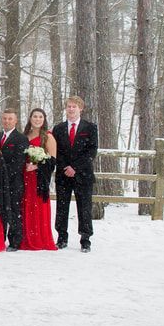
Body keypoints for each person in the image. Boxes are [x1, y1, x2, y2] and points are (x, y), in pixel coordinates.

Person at [52, 96, 98, 252]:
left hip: (83, 174)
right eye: (69, 106)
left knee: (84, 207)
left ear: (81, 109)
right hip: (63, 175)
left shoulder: (90, 128)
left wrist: (76, 168)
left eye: (74, 107)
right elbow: (56, 151)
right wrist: (66, 167)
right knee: (62, 207)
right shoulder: (58, 129)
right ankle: (62, 237)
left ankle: (85, 239)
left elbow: (92, 151)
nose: (71, 109)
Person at [21, 108, 58, 251]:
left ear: (44, 119)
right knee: (25, 206)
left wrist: (37, 166)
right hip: (24, 176)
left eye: (40, 117)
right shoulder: (25, 136)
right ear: (30, 119)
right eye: (35, 116)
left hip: (38, 178)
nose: (37, 119)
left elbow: (53, 161)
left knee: (37, 206)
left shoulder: (48, 137)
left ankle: (39, 238)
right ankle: (25, 238)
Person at [0, 109, 29, 252]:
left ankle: (15, 241)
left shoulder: (21, 139)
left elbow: (18, 162)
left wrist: (3, 174)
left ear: (15, 121)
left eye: (10, 119)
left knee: (14, 211)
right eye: (4, 118)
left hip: (13, 181)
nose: (7, 121)